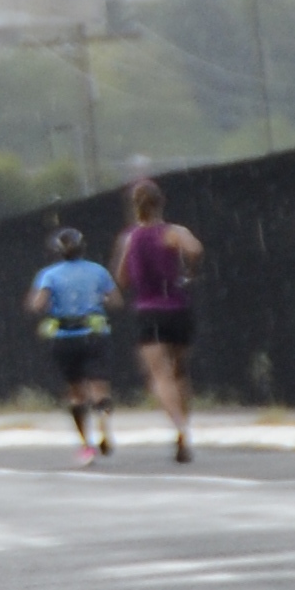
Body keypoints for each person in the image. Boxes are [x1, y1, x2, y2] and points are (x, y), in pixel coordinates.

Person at [112, 181, 204, 461]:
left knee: (159, 375)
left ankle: (178, 427)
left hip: (148, 310)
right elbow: (195, 249)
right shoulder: (174, 232)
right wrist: (189, 272)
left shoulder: (130, 237)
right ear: (161, 202)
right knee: (180, 372)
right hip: (178, 307)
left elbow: (122, 279)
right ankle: (186, 425)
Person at [26, 223, 119, 461]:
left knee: (76, 393)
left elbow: (37, 304)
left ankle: (86, 445)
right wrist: (97, 301)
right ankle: (104, 422)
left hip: (65, 338)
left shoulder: (49, 274)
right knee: (99, 387)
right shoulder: (98, 271)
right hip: (94, 334)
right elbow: (115, 300)